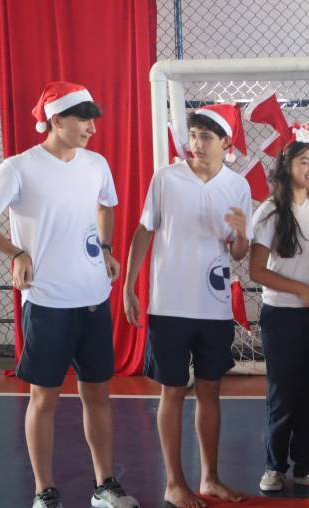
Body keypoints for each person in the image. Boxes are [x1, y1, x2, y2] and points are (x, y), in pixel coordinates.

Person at [0, 81, 139, 508]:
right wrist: (16, 252)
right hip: (47, 303)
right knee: (43, 398)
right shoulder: (19, 168)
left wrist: (106, 248)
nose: (92, 128)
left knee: (98, 394)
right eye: (84, 119)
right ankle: (45, 492)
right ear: (56, 120)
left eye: (93, 120)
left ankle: (105, 486)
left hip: (93, 298)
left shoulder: (96, 164)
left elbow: (106, 205)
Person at [122, 104, 252, 507]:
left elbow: (239, 253)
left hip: (214, 307)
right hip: (169, 304)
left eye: (205, 137)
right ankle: (174, 483)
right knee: (173, 391)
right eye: (193, 135)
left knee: (211, 390)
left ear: (225, 143)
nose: (196, 143)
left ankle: (209, 478)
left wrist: (241, 234)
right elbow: (145, 231)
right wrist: (129, 287)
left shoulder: (238, 186)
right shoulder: (166, 178)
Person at [250, 141, 309, 492]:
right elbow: (257, 270)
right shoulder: (270, 211)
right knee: (283, 393)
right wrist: (303, 290)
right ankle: (274, 466)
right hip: (282, 316)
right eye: (304, 161)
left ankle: (306, 464)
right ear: (287, 166)